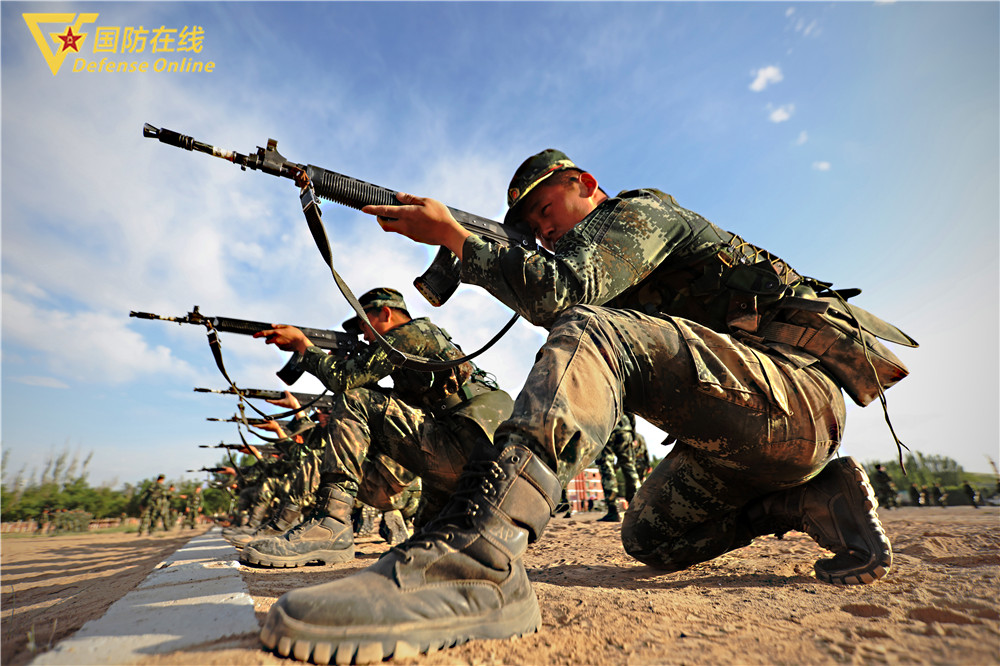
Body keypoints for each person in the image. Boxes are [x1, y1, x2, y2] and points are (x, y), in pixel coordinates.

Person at [259, 150, 914, 662]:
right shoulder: (606, 267)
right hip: (747, 432)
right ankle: (808, 499)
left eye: (546, 209)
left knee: (590, 324)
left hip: (794, 399)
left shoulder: (640, 214)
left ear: (586, 183)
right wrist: (469, 249)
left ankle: (481, 563)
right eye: (533, 227)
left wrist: (460, 240)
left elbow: (567, 298)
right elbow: (559, 294)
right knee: (651, 538)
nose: (543, 230)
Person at [247, 287, 514, 569]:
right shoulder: (416, 351)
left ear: (385, 313)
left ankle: (332, 523)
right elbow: (386, 408)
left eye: (364, 324)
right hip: (470, 456)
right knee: (423, 542)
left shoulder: (413, 333)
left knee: (353, 398)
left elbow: (346, 384)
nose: (363, 335)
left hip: (464, 446)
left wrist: (304, 347)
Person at [595, 412, 642, 522]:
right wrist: (633, 434)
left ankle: (613, 510)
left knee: (606, 466)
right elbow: (630, 412)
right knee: (629, 466)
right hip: (625, 429)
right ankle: (638, 508)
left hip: (605, 428)